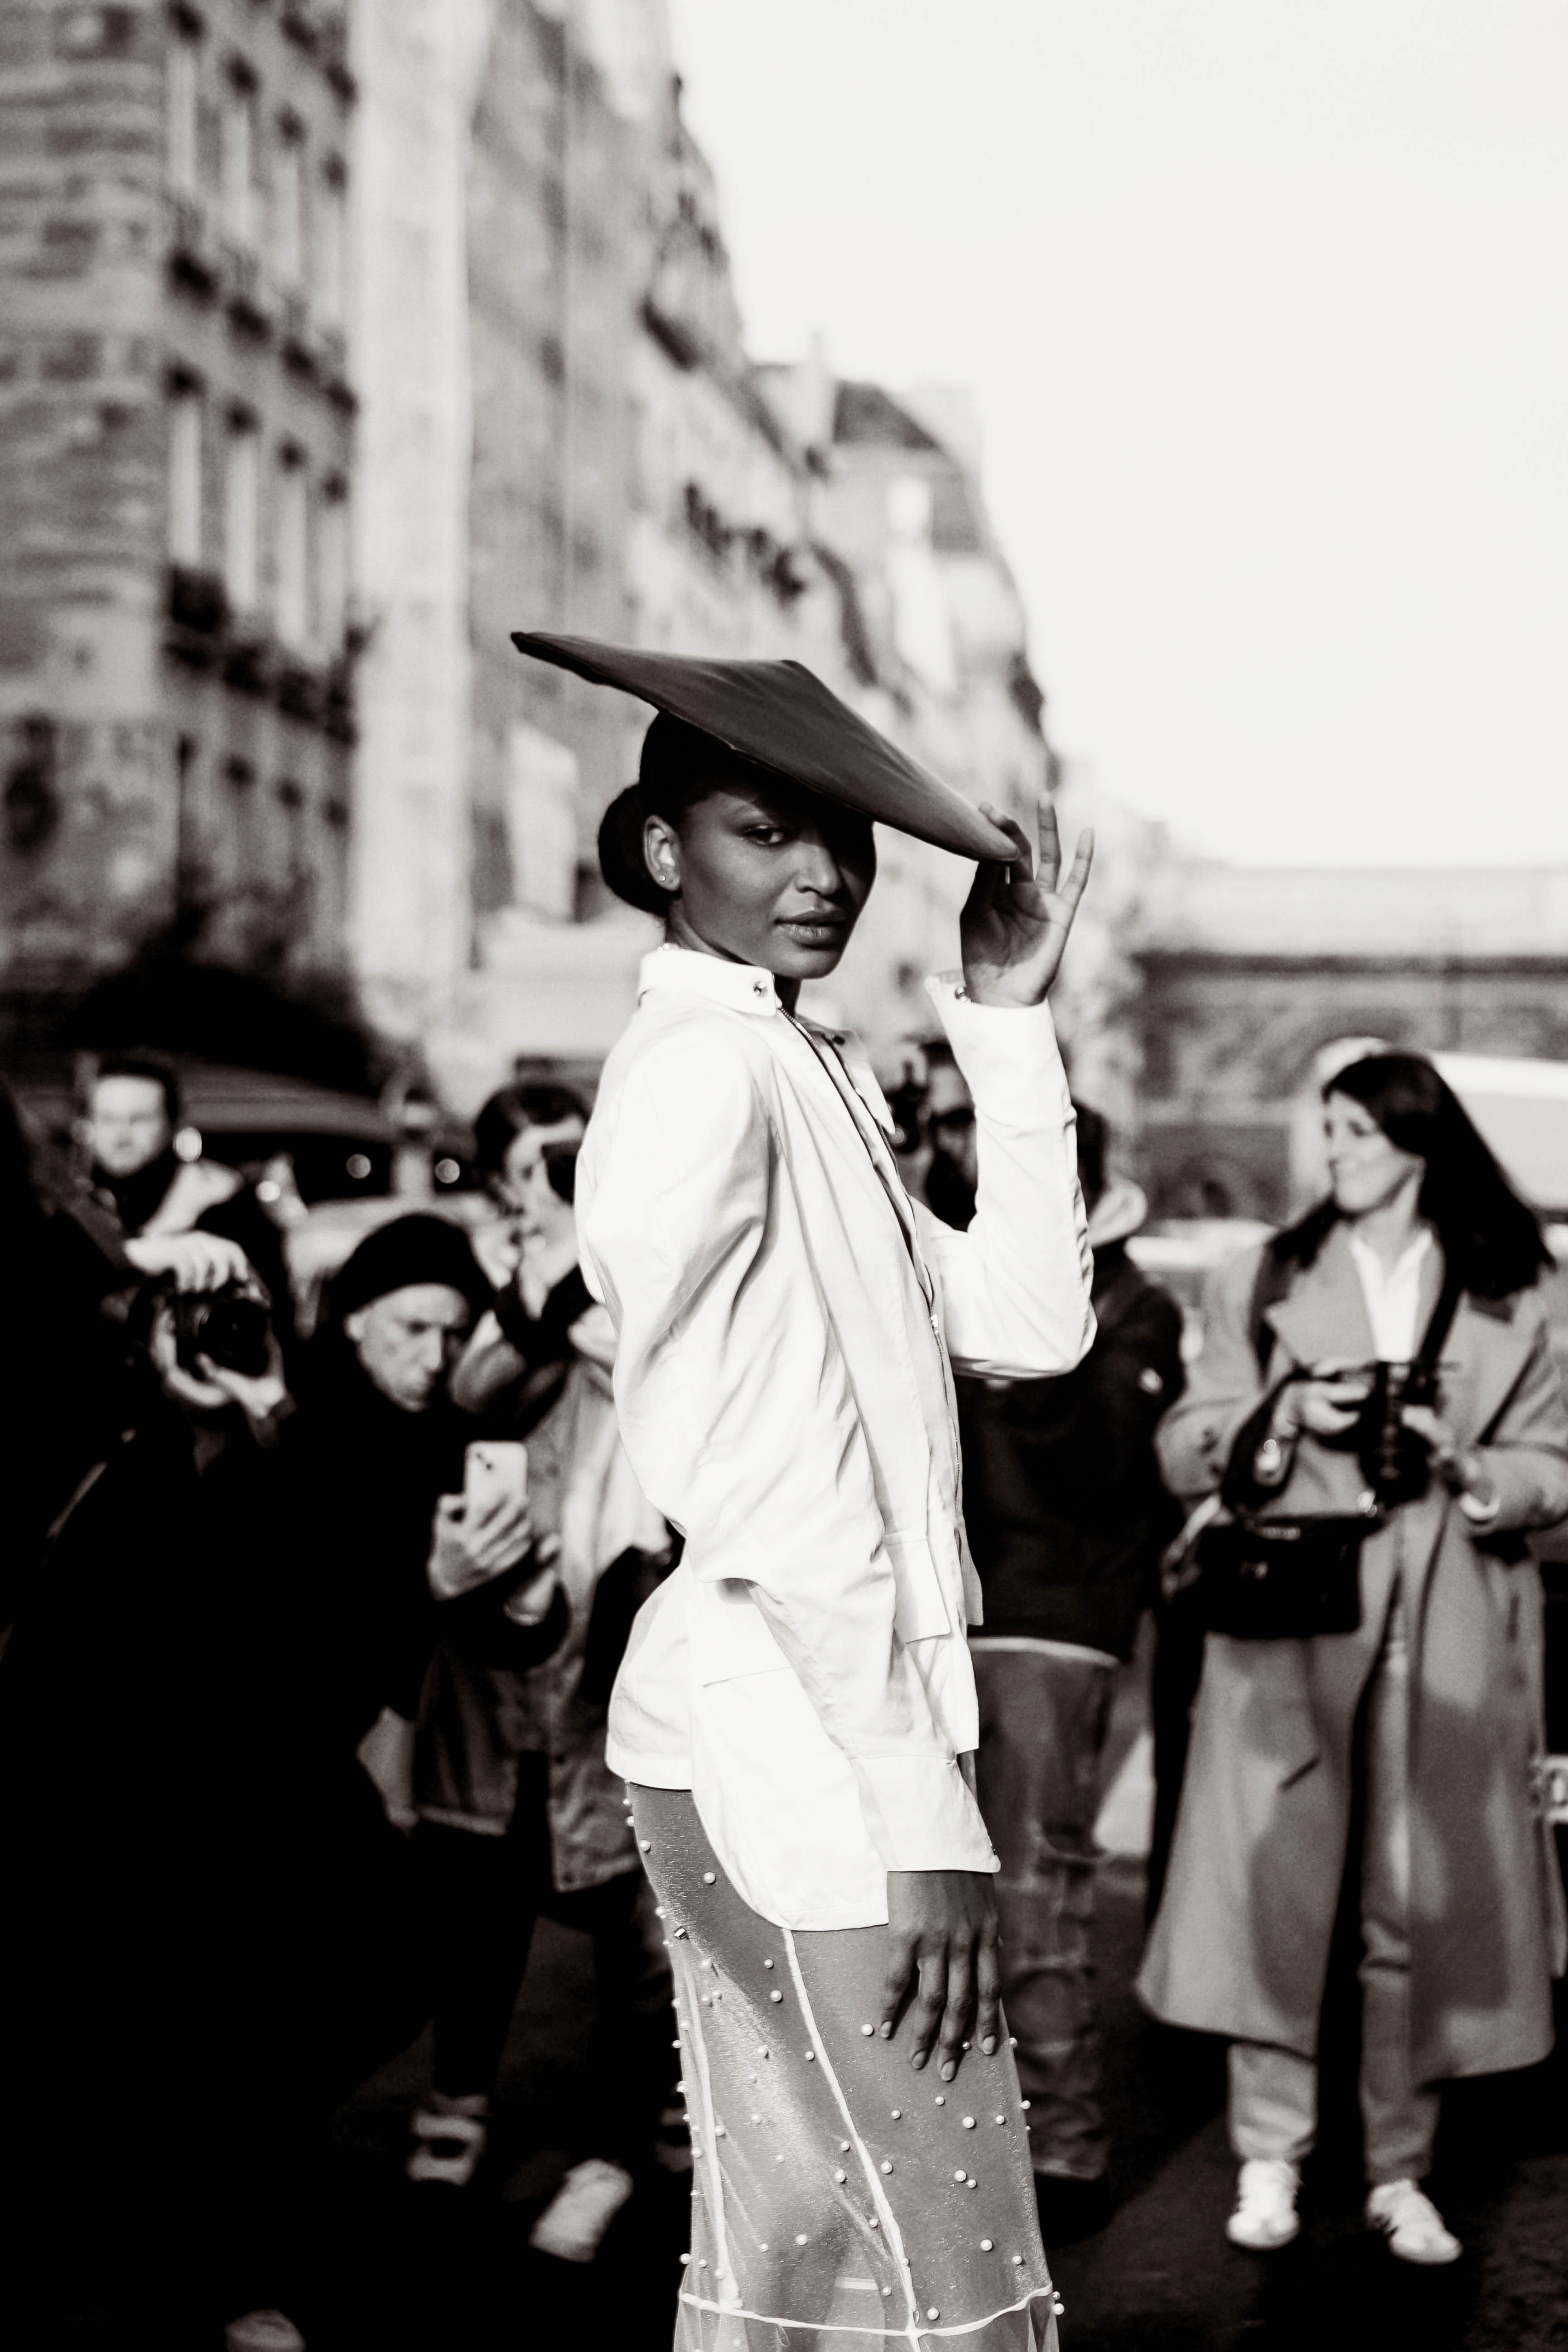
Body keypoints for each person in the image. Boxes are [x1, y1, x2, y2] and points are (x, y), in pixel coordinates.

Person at [514, 628, 1095, 2348]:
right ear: (660, 849)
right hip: (805, 1752)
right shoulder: (708, 1068)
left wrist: (1008, 1027)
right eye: (765, 831)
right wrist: (926, 1823)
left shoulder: (788, 1057)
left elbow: (1028, 1325)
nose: (824, 872)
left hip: (780, 1731)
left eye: (841, 835)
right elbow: (775, 1486)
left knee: (799, 2251)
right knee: (945, 2274)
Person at [1139, 1053, 1568, 2265]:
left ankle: (1397, 2168)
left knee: (1411, 1900)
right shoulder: (1262, 1274)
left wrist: (1472, 1468)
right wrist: (1283, 1415)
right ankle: (1268, 2152)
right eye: (1324, 1127)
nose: (1331, 1149)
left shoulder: (1515, 1286)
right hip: (1295, 1613)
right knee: (1274, 1889)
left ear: (1418, 1142)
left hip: (1448, 1623)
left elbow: (1554, 1461)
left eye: (1355, 1129)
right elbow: (1183, 1442)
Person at [408, 1118, 679, 2259]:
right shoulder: (490, 1288)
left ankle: (614, 2146)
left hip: (616, 1663)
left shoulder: (644, 1272)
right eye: (533, 1169)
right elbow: (475, 1388)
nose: (549, 1189)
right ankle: (454, 2111)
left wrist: (592, 1263)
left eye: (571, 1164)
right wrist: (548, 1281)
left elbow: (664, 1381)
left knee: (640, 1932)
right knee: (478, 1908)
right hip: (494, 1666)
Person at [958, 1104, 1185, 2241]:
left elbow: (1101, 1468)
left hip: (1051, 1621)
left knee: (1032, 1887)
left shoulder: (1132, 1305)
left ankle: (1061, 2142)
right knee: (925, 1888)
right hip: (936, 1609)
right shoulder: (952, 1275)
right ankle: (955, 2131)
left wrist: (1036, 1323)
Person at [82, 1050, 296, 1350]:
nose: (121, 1136)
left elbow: (272, 1323)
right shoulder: (73, 1204)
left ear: (174, 1125)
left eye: (138, 1120)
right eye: (107, 1119)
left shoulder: (227, 1206)